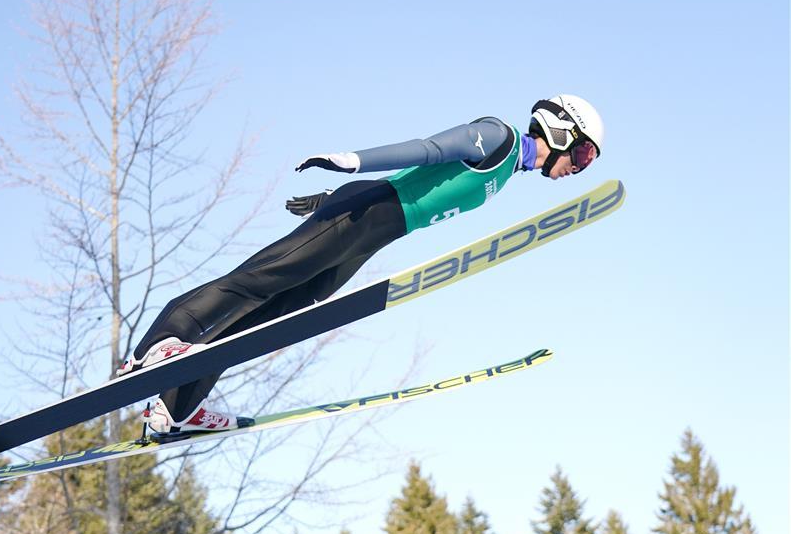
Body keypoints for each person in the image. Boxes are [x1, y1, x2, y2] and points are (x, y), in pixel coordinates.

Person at [118, 94, 604, 434]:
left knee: (270, 319)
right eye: (581, 153)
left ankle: (177, 406)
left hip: (376, 232)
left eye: (588, 163)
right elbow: (429, 149)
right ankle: (157, 346)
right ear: (561, 128)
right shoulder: (497, 137)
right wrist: (352, 162)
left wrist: (333, 197)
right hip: (369, 210)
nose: (578, 168)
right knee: (260, 279)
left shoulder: (509, 170)